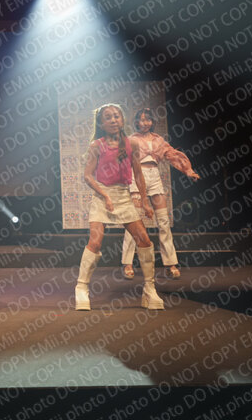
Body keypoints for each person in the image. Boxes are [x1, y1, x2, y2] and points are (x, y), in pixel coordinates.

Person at [76, 104, 164, 311]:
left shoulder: (131, 143)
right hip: (102, 197)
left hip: (124, 196)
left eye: (116, 116)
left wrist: (144, 201)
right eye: (108, 117)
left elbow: (138, 174)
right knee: (95, 242)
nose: (113, 120)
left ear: (122, 120)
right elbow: (88, 176)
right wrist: (105, 195)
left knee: (144, 240)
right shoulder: (96, 145)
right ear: (101, 123)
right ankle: (81, 287)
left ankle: (149, 289)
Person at [121, 108, 200, 280]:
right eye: (141, 120)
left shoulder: (158, 140)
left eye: (148, 120)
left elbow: (173, 155)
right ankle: (127, 263)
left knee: (164, 222)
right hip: (137, 176)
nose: (145, 123)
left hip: (154, 176)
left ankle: (171, 264)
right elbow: (122, 159)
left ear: (152, 122)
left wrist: (188, 171)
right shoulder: (132, 139)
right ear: (136, 122)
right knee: (134, 222)